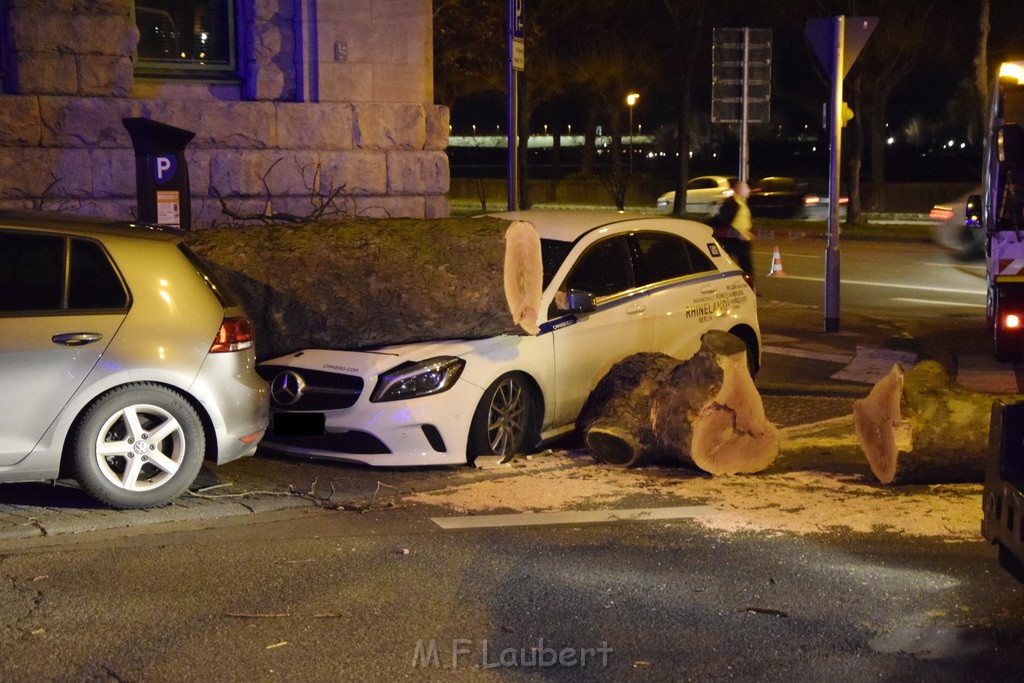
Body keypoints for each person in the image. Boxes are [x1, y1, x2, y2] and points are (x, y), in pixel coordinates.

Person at [712, 179, 755, 286]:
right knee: (727, 265)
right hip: (731, 240)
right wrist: (737, 234)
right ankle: (726, 286)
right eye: (746, 188)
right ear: (740, 190)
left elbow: (740, 221)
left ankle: (749, 288)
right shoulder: (732, 203)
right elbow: (723, 221)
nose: (749, 190)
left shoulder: (742, 203)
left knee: (746, 266)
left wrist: (747, 232)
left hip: (742, 239)